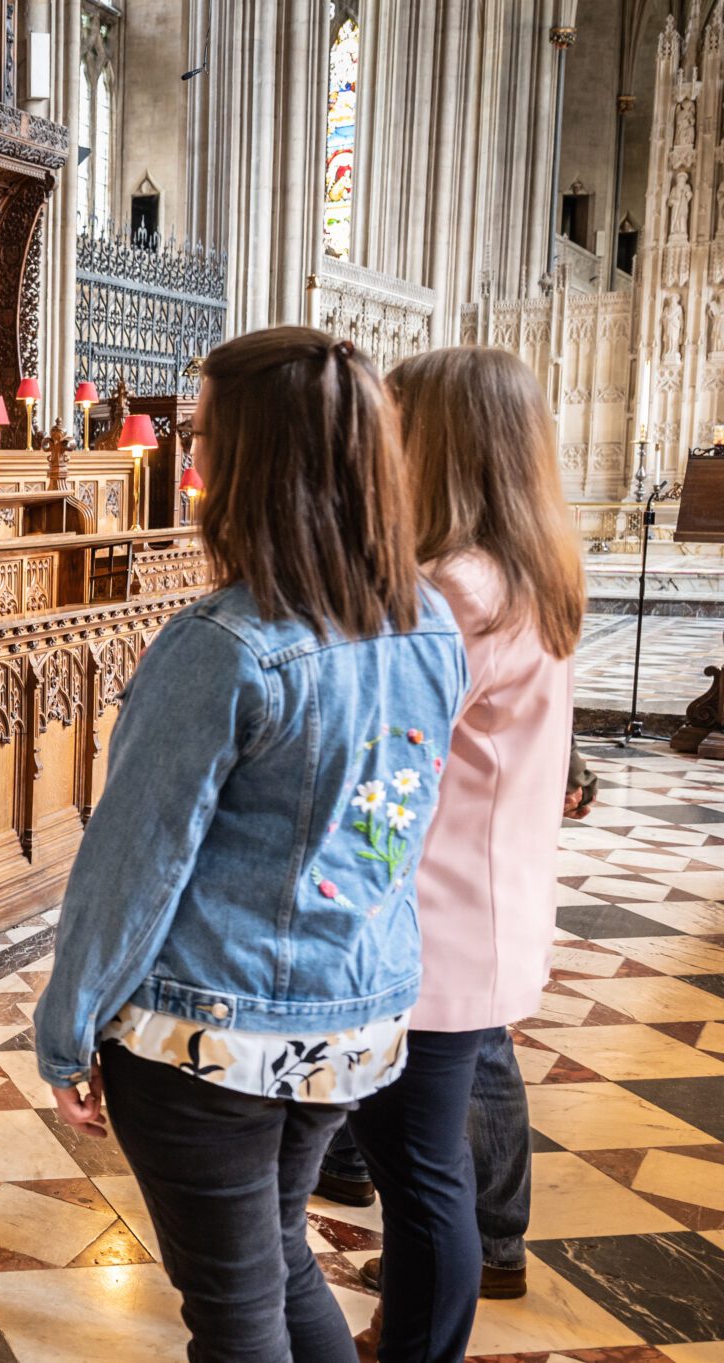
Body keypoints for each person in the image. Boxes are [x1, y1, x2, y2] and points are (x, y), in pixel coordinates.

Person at [33, 327, 468, 1363]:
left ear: (256, 462)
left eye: (205, 438)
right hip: (351, 1014)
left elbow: (133, 864)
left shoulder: (225, 643)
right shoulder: (429, 623)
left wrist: (66, 1025)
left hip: (211, 1033)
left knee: (232, 1309)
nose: (191, 463)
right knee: (275, 1259)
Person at [328, 347, 583, 1362]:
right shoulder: (526, 567)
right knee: (421, 1165)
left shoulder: (455, 588)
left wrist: (330, 883)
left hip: (429, 918)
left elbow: (395, 772)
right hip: (483, 906)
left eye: (395, 422)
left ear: (440, 442)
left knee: (419, 1173)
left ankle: (412, 1348)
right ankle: (407, 1330)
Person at [317, 736, 600, 1307]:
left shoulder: (482, 640)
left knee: (470, 1043)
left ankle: (488, 1242)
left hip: (452, 841)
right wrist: (572, 769)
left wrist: (568, 768)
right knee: (390, 1007)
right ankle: (347, 1163)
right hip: (451, 831)